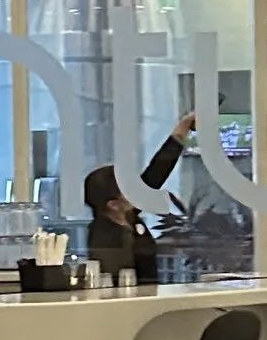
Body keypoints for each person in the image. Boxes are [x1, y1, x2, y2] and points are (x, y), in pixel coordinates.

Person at [84, 108, 198, 286]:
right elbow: (114, 284)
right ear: (114, 204)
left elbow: (158, 171)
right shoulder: (104, 236)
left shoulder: (128, 215)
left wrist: (184, 126)